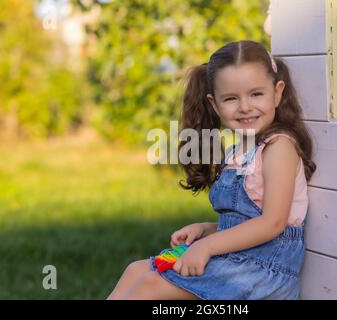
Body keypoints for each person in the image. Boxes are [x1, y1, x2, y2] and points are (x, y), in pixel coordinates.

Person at [107, 40, 317, 300]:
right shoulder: (238, 151)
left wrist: (206, 247)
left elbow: (272, 223)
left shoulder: (279, 148)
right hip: (235, 263)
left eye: (256, 94)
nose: (245, 107)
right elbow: (243, 224)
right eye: (231, 98)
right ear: (215, 104)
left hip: (262, 275)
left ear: (277, 92)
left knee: (151, 288)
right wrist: (206, 229)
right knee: (136, 270)